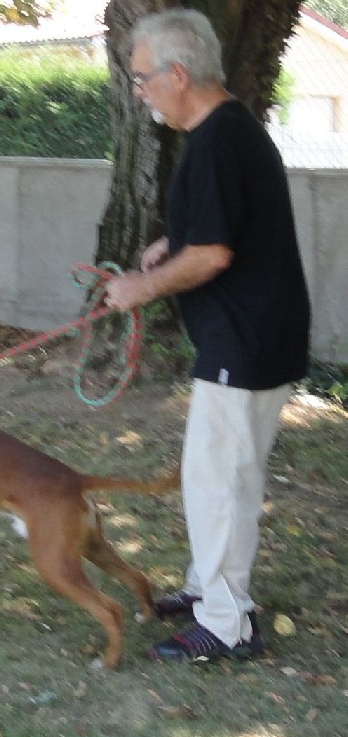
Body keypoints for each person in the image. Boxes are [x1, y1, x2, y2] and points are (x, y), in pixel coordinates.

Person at [104, 9, 311, 661]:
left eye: (142, 79)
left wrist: (140, 288)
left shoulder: (220, 141)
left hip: (243, 339)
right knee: (222, 474)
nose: (137, 91)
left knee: (218, 478)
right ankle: (208, 591)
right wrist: (173, 242)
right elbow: (218, 229)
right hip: (253, 334)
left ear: (177, 73)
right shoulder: (225, 132)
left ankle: (226, 622)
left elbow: (215, 254)